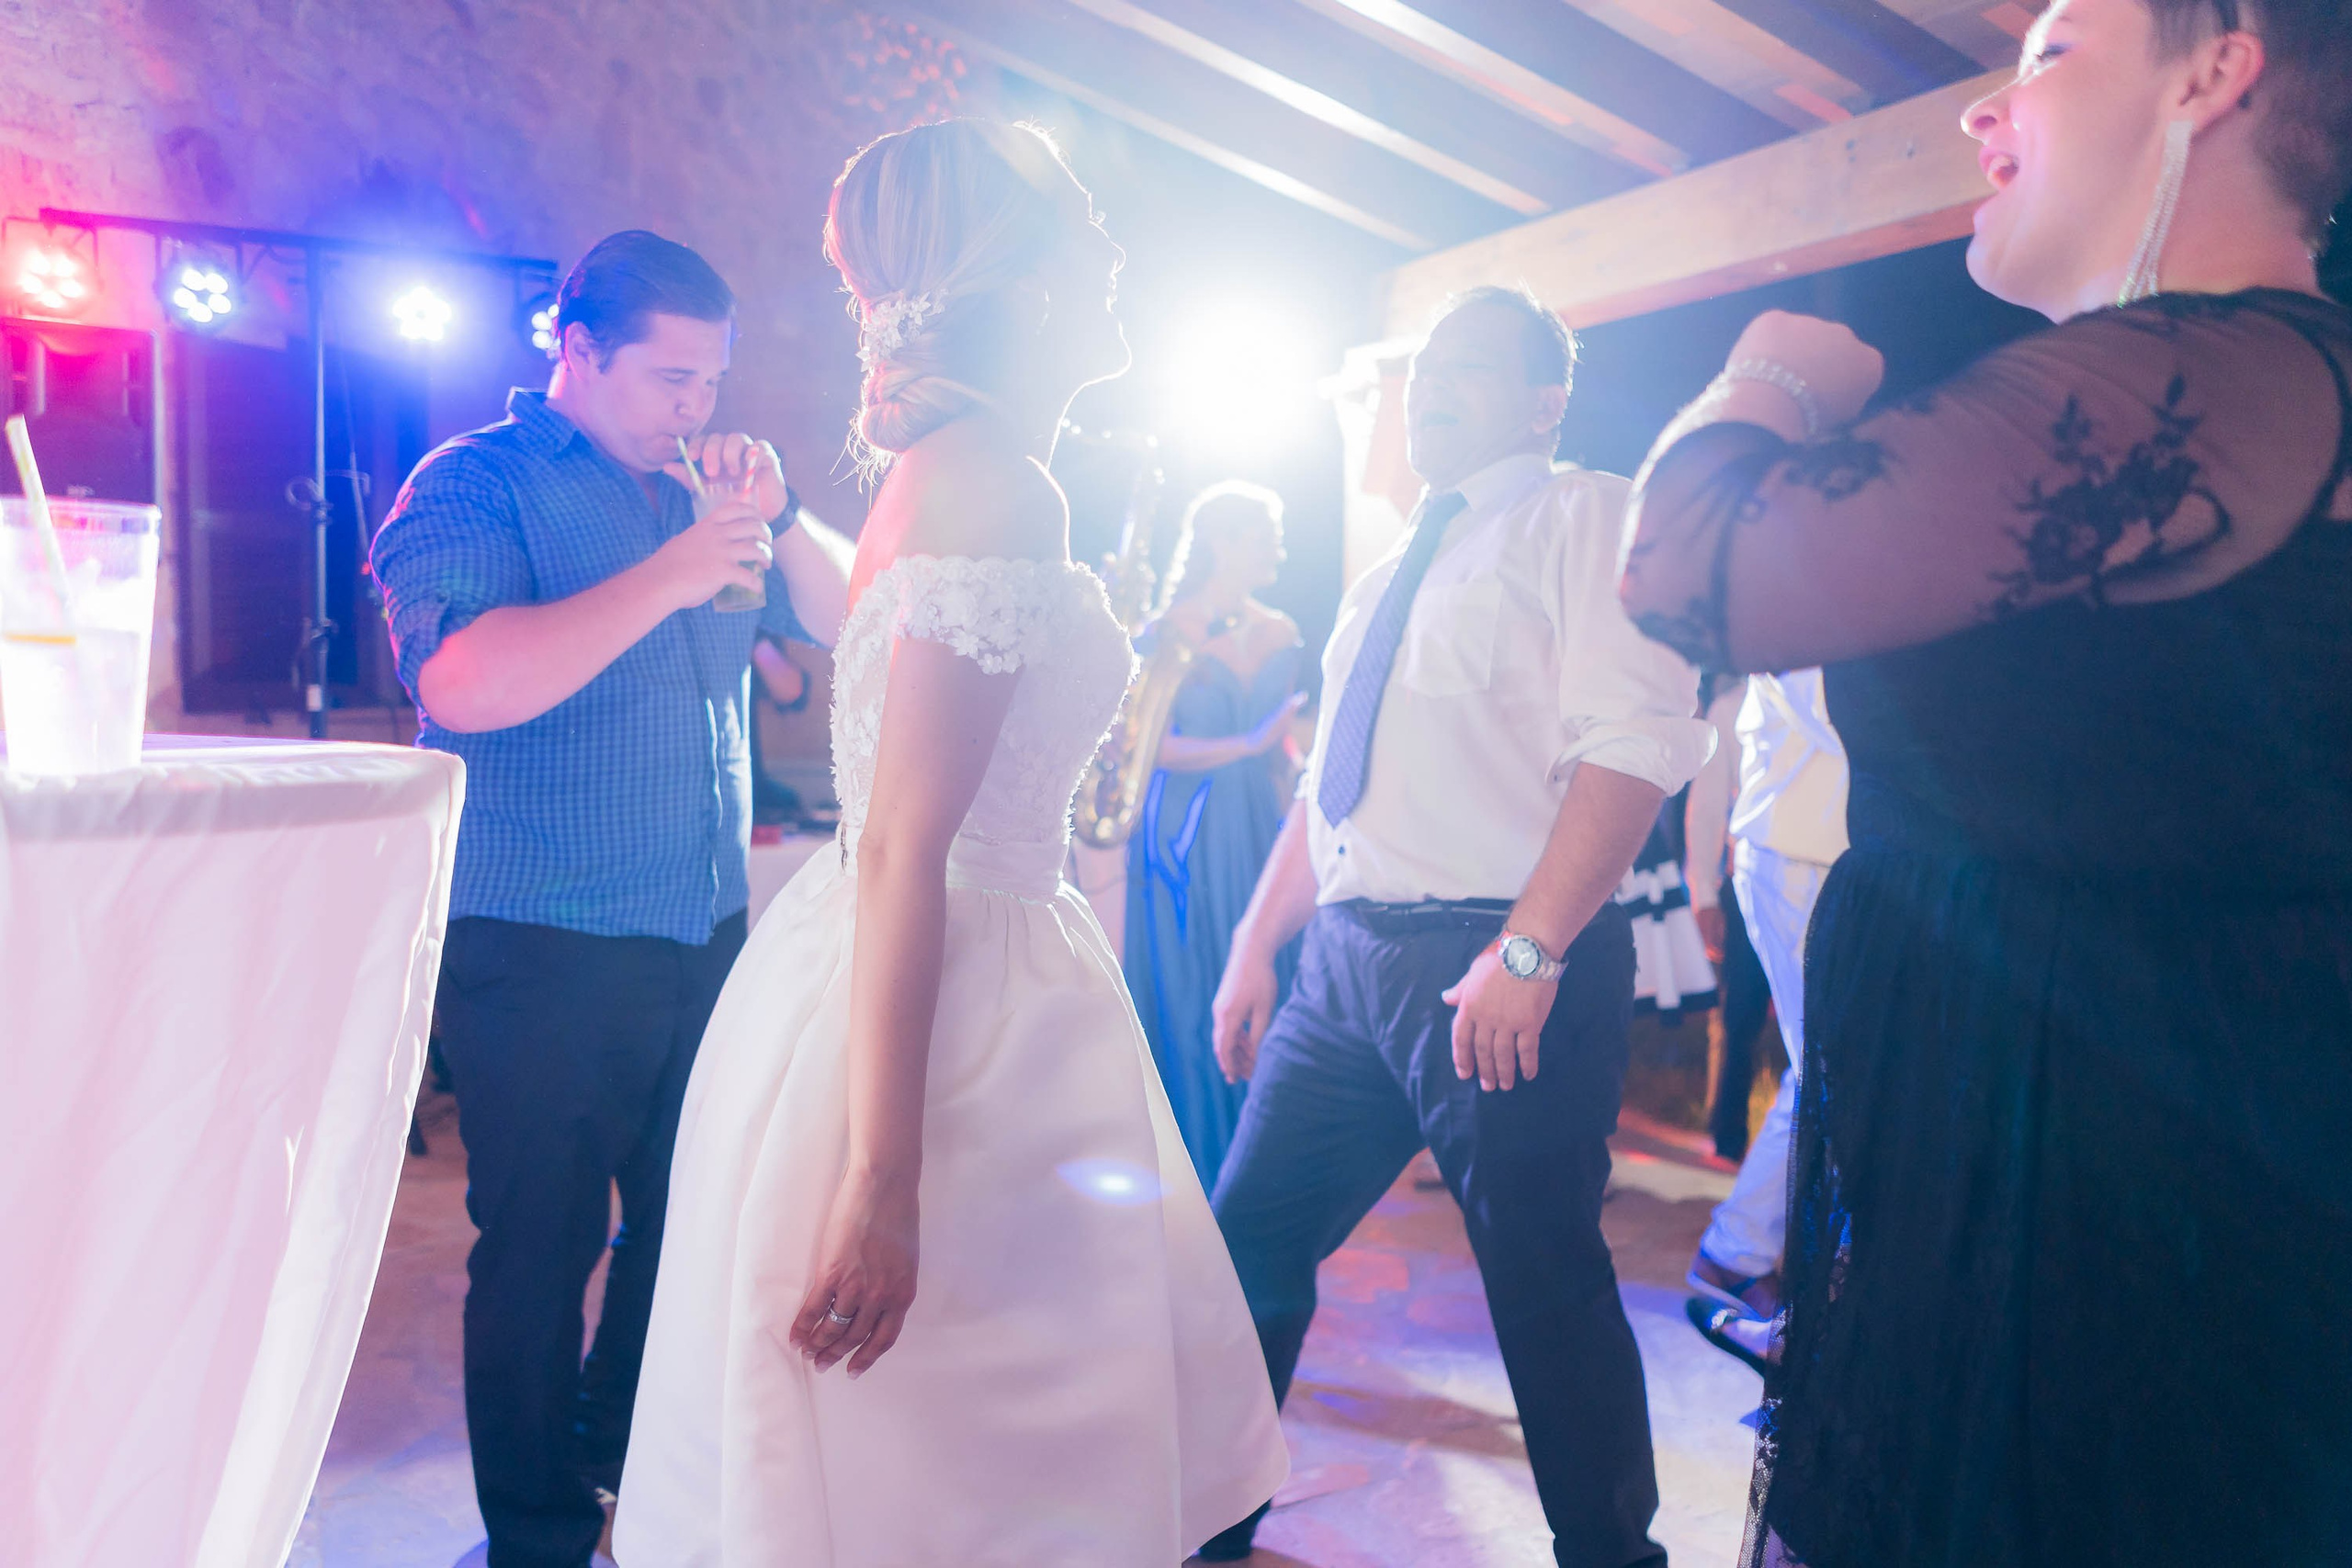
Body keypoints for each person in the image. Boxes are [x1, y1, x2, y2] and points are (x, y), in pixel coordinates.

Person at [1617, 0, 2352, 1560]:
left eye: (2051, 51)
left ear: (2216, 75)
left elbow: (1692, 567)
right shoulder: (2210, 393)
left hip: (2099, 1224)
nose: (1979, 111)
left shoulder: (2215, 375)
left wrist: (1767, 372)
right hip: (2079, 1169)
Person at [613, 119, 1288, 1564]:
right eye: (1087, 227)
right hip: (957, 1001)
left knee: (963, 1460)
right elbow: (906, 846)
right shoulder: (995, 480)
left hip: (966, 960)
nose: (1114, 255)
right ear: (1026, 282)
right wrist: (885, 1175)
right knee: (970, 1463)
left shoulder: (965, 468)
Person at [1201, 285, 1713, 1568]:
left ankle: (1611, 1552)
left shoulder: (1581, 515)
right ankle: (1205, 1524)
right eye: (1425, 368)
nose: (1432, 389)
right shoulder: (1383, 570)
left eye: (1470, 369)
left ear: (1544, 401)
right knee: (1243, 1244)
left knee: (1540, 1280)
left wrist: (1530, 951)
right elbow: (1333, 785)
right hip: (1345, 969)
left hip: (1500, 962)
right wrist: (1261, 943)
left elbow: (1638, 745)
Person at [369, 230, 852, 1568]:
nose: (697, 408)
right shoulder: (475, 482)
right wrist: (678, 571)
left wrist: (783, 510)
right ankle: (532, 1533)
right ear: (575, 352)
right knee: (541, 1244)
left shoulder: (698, 489)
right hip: (539, 934)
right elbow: (459, 684)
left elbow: (861, 619)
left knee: (701, 1216)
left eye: (714, 380)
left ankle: (609, 1453)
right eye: (670, 378)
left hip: (702, 924)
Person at [1123, 480, 1307, 1188]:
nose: (1279, 547)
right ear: (1221, 542)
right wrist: (1248, 741)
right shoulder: (1164, 630)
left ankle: (1266, 1161)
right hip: (1184, 831)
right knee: (1192, 977)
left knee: (1269, 972)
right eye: (1265, 532)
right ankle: (1198, 1163)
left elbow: (1280, 748)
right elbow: (1152, 747)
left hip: (1259, 820)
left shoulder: (1281, 630)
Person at [1686, 670, 1847, 1328]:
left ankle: (1754, 1250)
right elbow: (1843, 714)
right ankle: (1738, 1251)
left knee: (1835, 1072)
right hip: (1797, 860)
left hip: (1813, 859)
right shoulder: (1811, 599)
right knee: (1831, 1071)